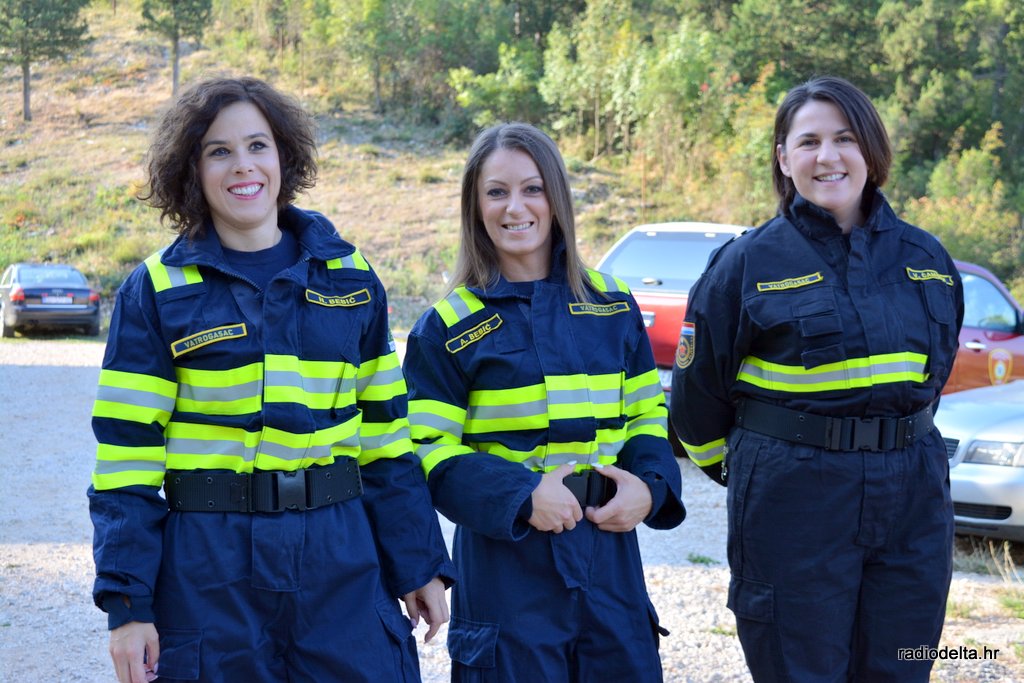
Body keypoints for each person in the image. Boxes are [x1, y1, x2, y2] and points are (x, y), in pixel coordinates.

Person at [88, 76, 455, 683]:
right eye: (219, 151)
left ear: (284, 155)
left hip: (340, 557)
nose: (243, 165)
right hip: (209, 567)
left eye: (258, 145)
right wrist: (128, 606)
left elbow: (387, 440)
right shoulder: (155, 290)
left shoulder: (351, 275)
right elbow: (127, 460)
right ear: (192, 169)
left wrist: (418, 563)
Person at [670, 75, 964, 682]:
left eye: (845, 139)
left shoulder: (928, 259)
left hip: (913, 496)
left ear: (871, 150)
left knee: (903, 665)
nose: (828, 156)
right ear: (784, 158)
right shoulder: (747, 263)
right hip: (794, 499)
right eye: (809, 142)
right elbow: (696, 403)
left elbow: (932, 378)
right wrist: (751, 473)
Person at [402, 122, 686, 682]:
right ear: (475, 206)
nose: (516, 208)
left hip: (610, 553)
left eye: (532, 189)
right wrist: (522, 495)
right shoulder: (449, 326)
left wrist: (649, 490)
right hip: (508, 563)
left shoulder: (612, 304)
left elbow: (646, 415)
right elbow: (425, 449)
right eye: (497, 192)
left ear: (556, 198)